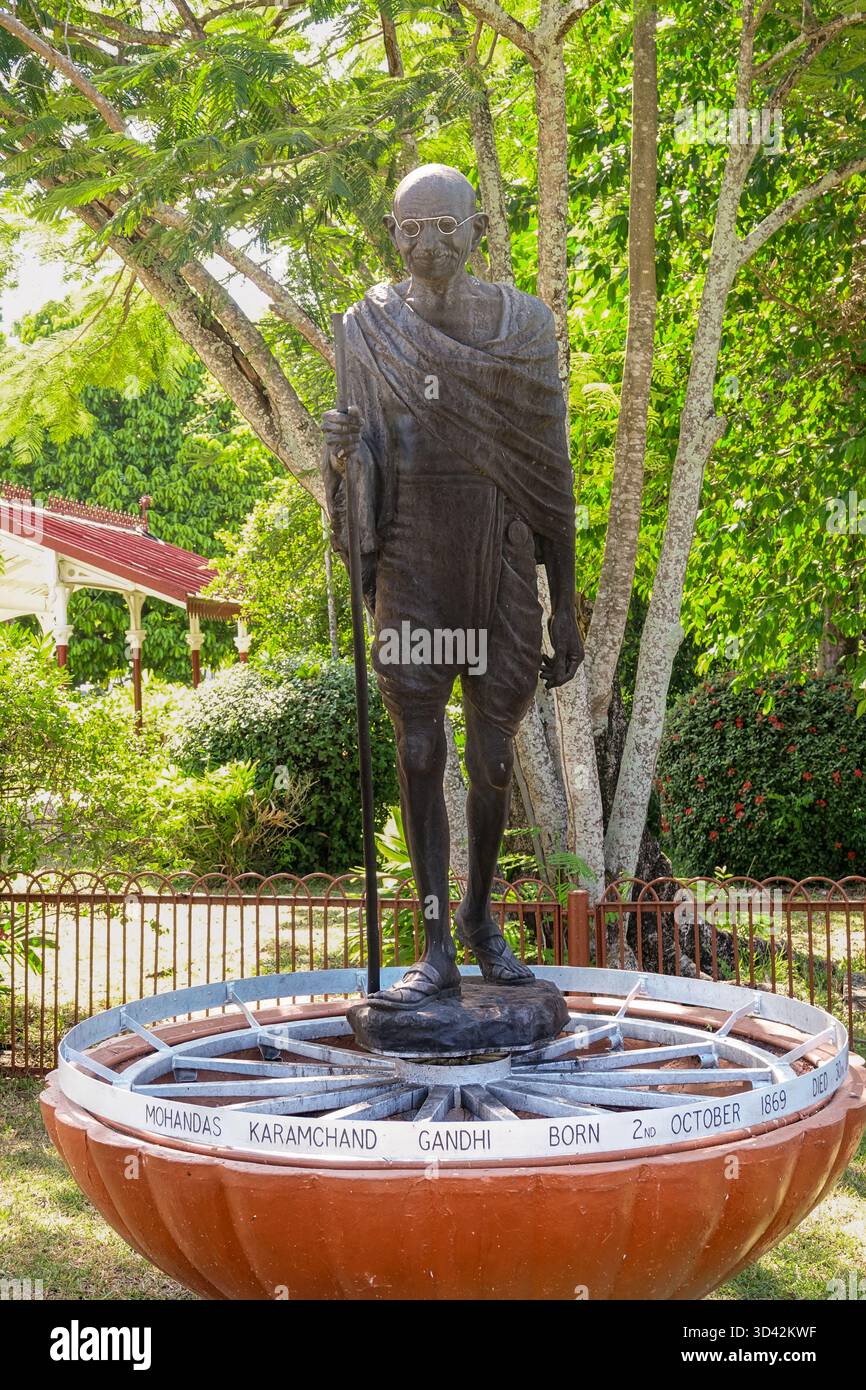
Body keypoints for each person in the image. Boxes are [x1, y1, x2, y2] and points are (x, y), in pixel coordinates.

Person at [322, 163, 582, 1009]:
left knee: (494, 753)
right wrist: (341, 456)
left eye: (444, 226)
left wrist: (565, 608)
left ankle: (478, 919)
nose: (426, 243)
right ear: (391, 234)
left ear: (477, 230)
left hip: (499, 556)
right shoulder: (365, 329)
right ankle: (433, 941)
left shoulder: (526, 327)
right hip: (413, 557)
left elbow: (551, 475)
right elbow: (364, 462)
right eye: (409, 228)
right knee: (418, 745)